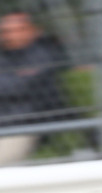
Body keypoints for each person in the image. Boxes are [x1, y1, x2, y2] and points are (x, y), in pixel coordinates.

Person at [0, 11, 68, 166]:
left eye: (17, 30)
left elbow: (19, 87)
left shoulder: (44, 53)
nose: (9, 36)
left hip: (26, 125)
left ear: (34, 30)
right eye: (5, 31)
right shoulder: (4, 55)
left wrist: (12, 82)